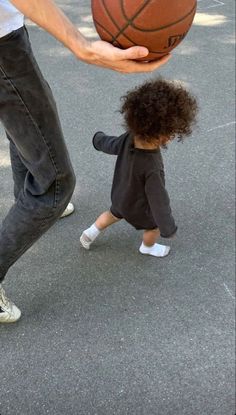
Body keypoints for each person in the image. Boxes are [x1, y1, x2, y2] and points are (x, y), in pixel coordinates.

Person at [0, 1, 171, 323]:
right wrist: (81, 45)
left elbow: (107, 143)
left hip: (6, 38)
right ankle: (39, 203)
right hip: (1, 47)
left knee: (22, 121)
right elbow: (158, 198)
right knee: (55, 187)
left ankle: (30, 199)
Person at [80, 78, 198, 257]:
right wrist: (167, 227)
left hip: (120, 196)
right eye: (171, 132)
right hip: (138, 208)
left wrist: (98, 140)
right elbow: (159, 200)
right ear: (162, 134)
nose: (172, 136)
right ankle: (148, 247)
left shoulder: (129, 137)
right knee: (153, 227)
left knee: (110, 215)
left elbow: (110, 144)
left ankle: (90, 233)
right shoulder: (152, 167)